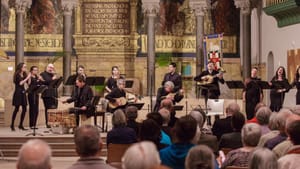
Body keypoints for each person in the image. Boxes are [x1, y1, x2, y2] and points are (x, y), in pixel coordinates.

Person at [11, 63, 31, 131]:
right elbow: (20, 83)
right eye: (24, 67)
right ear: (20, 67)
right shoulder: (17, 74)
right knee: (16, 109)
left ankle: (20, 125)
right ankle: (12, 125)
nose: (25, 68)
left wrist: (29, 77)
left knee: (25, 109)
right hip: (18, 92)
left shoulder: (24, 74)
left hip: (23, 92)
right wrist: (27, 77)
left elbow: (28, 83)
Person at [40, 63, 59, 128]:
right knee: (48, 109)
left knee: (54, 108)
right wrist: (52, 79)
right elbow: (45, 82)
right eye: (50, 67)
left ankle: (53, 122)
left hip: (54, 93)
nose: (51, 69)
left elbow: (55, 84)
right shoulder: (42, 74)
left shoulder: (52, 75)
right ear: (46, 67)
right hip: (46, 94)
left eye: (52, 68)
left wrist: (55, 78)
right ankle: (48, 123)